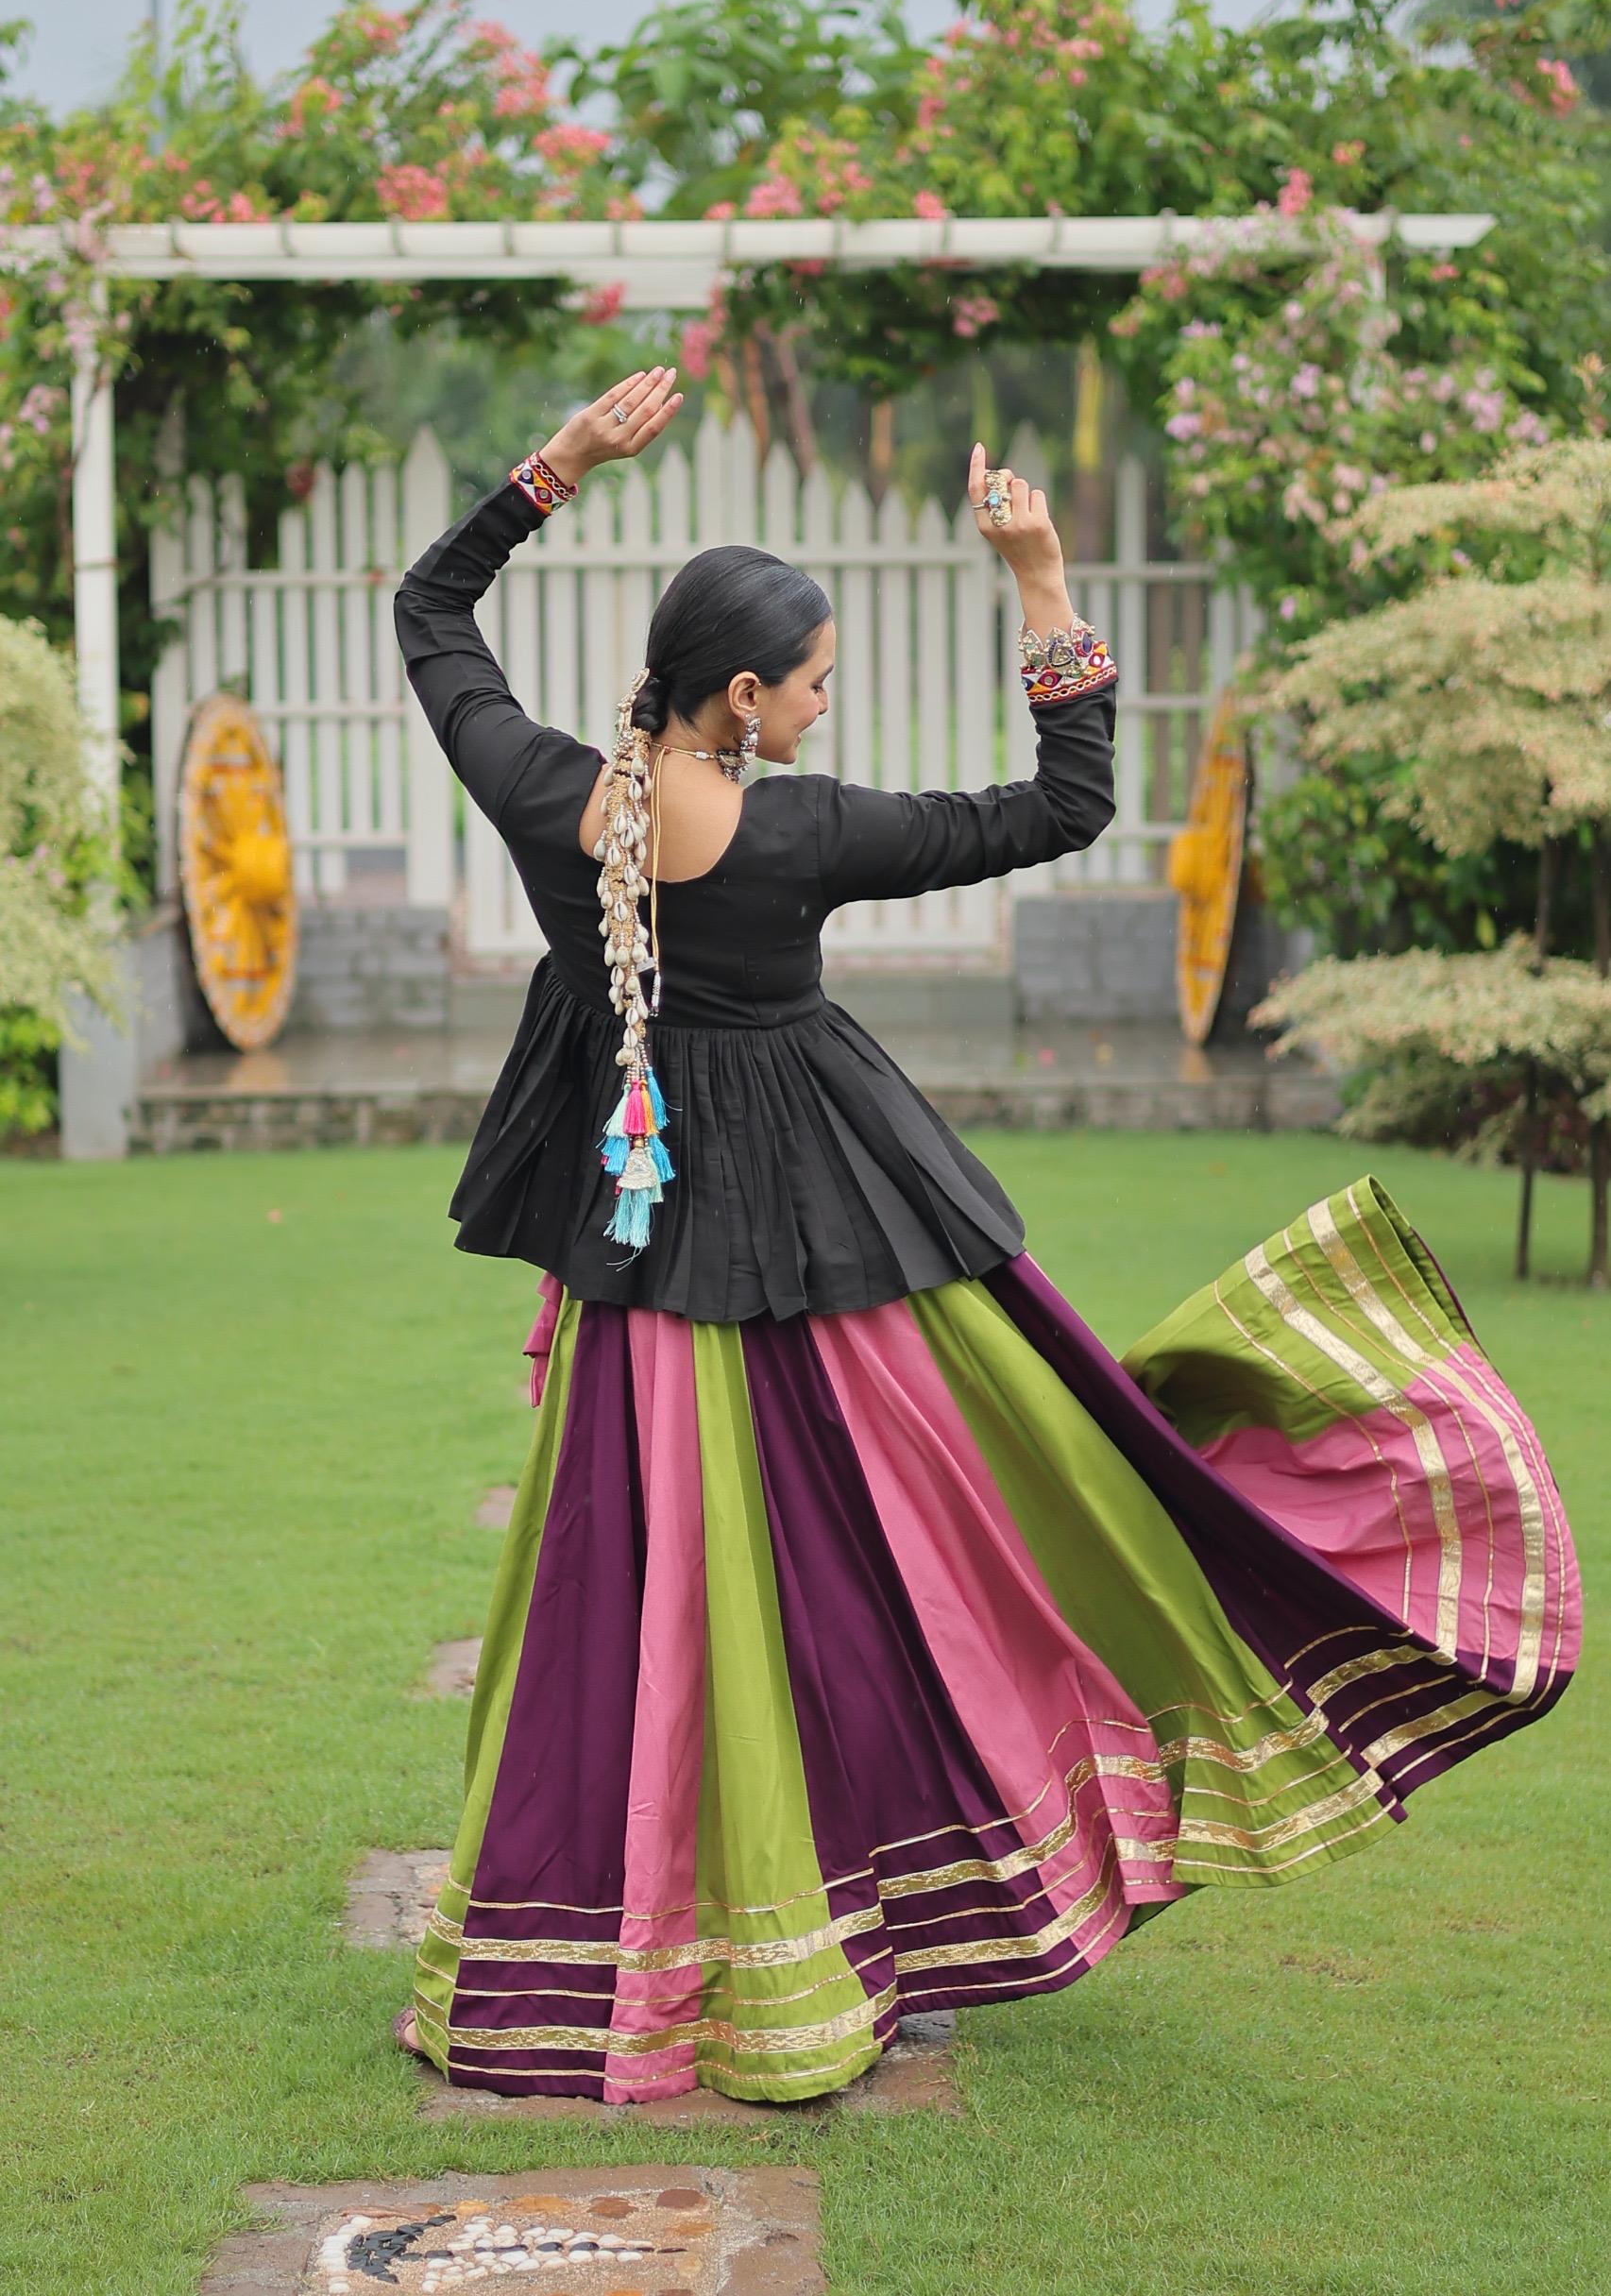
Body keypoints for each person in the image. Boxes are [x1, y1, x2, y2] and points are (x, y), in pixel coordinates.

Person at [387, 366, 1580, 2107]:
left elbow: (431, 613)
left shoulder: (545, 790)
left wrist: (558, 465)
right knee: (915, 1554)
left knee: (653, 1597)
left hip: (639, 1269)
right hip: (832, 1256)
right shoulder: (796, 837)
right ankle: (867, 1928)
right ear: (742, 694)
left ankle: (699, 1940)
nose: (821, 706)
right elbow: (1065, 808)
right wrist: (1039, 586)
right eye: (811, 684)